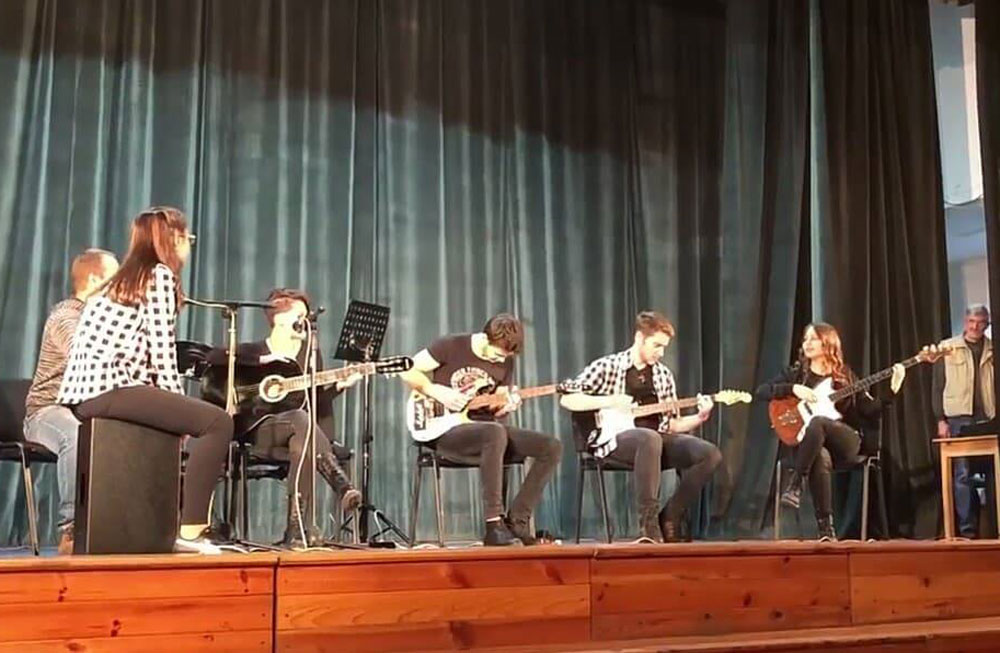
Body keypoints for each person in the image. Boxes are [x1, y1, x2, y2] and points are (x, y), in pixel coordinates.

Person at [58, 207, 234, 554]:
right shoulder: (159, 275)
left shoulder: (123, 279)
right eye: (187, 237)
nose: (189, 244)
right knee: (216, 423)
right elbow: (162, 349)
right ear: (173, 239)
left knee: (173, 424)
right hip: (108, 387)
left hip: (87, 392)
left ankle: (155, 528)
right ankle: (192, 531)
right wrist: (180, 412)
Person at [399, 313, 563, 546]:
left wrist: (506, 405)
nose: (500, 360)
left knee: (551, 447)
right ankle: (493, 525)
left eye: (505, 357)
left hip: (483, 430)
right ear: (485, 339)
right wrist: (436, 391)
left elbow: (496, 408)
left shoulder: (506, 361)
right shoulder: (451, 345)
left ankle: (517, 520)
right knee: (495, 432)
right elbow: (407, 369)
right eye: (497, 355)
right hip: (444, 429)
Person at [219, 288, 362, 547]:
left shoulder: (309, 354)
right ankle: (340, 485)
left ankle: (295, 531)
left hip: (297, 433)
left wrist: (340, 385)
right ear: (279, 318)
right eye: (299, 316)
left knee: (302, 436)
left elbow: (315, 399)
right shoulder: (253, 351)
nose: (305, 322)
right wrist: (265, 360)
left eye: (306, 317)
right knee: (300, 421)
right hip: (259, 431)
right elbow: (212, 358)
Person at [560, 311, 721, 542]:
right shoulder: (608, 366)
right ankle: (648, 524)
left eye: (664, 347)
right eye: (656, 345)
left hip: (654, 442)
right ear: (639, 338)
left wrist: (700, 417)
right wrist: (610, 401)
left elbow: (672, 424)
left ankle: (670, 515)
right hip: (613, 440)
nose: (661, 353)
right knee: (649, 438)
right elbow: (568, 399)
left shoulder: (663, 375)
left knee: (709, 454)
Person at [756, 322, 905, 540]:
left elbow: (869, 410)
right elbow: (761, 391)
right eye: (805, 339)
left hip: (845, 442)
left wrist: (892, 391)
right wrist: (793, 388)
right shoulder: (796, 374)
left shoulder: (844, 376)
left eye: (813, 338)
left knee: (819, 422)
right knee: (820, 456)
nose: (807, 343)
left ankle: (796, 484)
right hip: (812, 448)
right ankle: (826, 530)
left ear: (828, 343)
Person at [24, 248, 119, 554]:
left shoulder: (102, 320)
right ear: (94, 279)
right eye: (115, 276)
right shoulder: (67, 316)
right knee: (76, 434)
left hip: (86, 409)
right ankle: (71, 530)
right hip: (47, 411)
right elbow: (85, 357)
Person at [933, 304, 994, 538]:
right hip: (958, 417)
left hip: (987, 417)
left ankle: (994, 527)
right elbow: (937, 386)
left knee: (993, 472)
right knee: (962, 475)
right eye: (971, 322)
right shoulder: (949, 348)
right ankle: (968, 532)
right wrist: (940, 419)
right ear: (965, 321)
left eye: (980, 322)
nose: (975, 326)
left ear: (987, 324)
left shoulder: (992, 349)